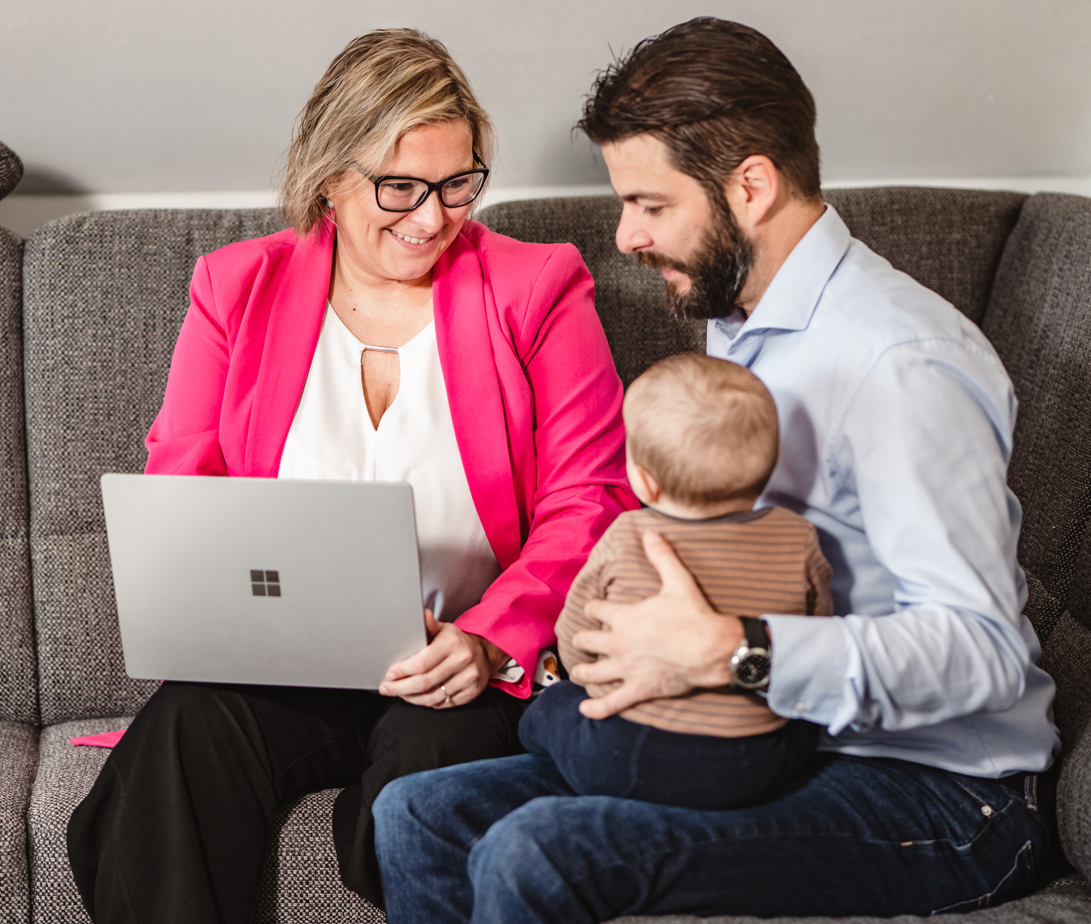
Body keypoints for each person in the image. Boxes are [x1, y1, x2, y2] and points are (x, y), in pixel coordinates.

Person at [372, 17, 1060, 923]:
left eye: (650, 207)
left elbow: (985, 654)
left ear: (751, 186)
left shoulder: (899, 364)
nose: (624, 237)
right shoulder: (742, 316)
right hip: (771, 739)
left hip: (940, 791)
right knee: (417, 811)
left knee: (538, 852)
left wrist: (734, 652)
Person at [66, 28, 637, 924]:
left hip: (459, 666)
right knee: (180, 744)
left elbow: (590, 498)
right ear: (329, 176)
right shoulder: (235, 286)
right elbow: (186, 487)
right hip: (283, 662)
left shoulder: (536, 287)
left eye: (457, 184)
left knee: (419, 794)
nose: (431, 216)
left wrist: (489, 638)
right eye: (399, 186)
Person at [519, 353, 832, 810]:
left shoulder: (628, 533)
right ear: (775, 461)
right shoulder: (798, 535)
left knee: (550, 705)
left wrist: (586, 678)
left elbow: (575, 638)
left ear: (644, 482)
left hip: (626, 756)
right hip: (757, 763)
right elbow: (814, 629)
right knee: (805, 723)